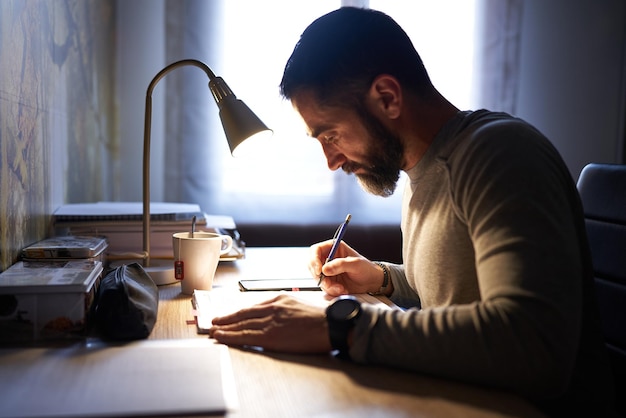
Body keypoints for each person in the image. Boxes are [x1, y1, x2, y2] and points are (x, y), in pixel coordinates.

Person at [209, 7, 616, 416]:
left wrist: (339, 326)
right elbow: (454, 292)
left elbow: (531, 345)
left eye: (330, 134)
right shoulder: (422, 171)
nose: (331, 161)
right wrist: (384, 278)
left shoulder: (501, 156)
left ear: (387, 97)